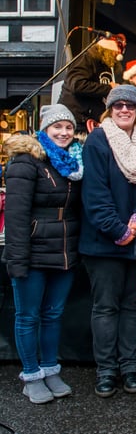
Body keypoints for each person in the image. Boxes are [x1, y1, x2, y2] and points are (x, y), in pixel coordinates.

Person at [3, 104, 83, 404]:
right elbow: (16, 215)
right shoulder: (26, 161)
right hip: (33, 251)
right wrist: (16, 260)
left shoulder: (74, 161)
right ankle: (31, 374)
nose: (64, 133)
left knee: (53, 314)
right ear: (44, 129)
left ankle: (50, 368)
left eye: (68, 127)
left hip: (63, 251)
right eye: (57, 127)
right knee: (27, 316)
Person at [79, 84, 136, 398]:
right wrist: (117, 229)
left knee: (132, 307)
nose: (124, 110)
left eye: (130, 106)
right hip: (104, 243)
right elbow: (94, 194)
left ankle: (131, 368)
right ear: (110, 109)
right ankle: (107, 371)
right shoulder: (97, 140)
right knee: (106, 308)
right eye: (118, 105)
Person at [58, 35, 126, 134]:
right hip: (76, 120)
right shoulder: (86, 59)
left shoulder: (106, 67)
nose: (118, 55)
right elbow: (77, 85)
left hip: (89, 121)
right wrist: (109, 88)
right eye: (116, 51)